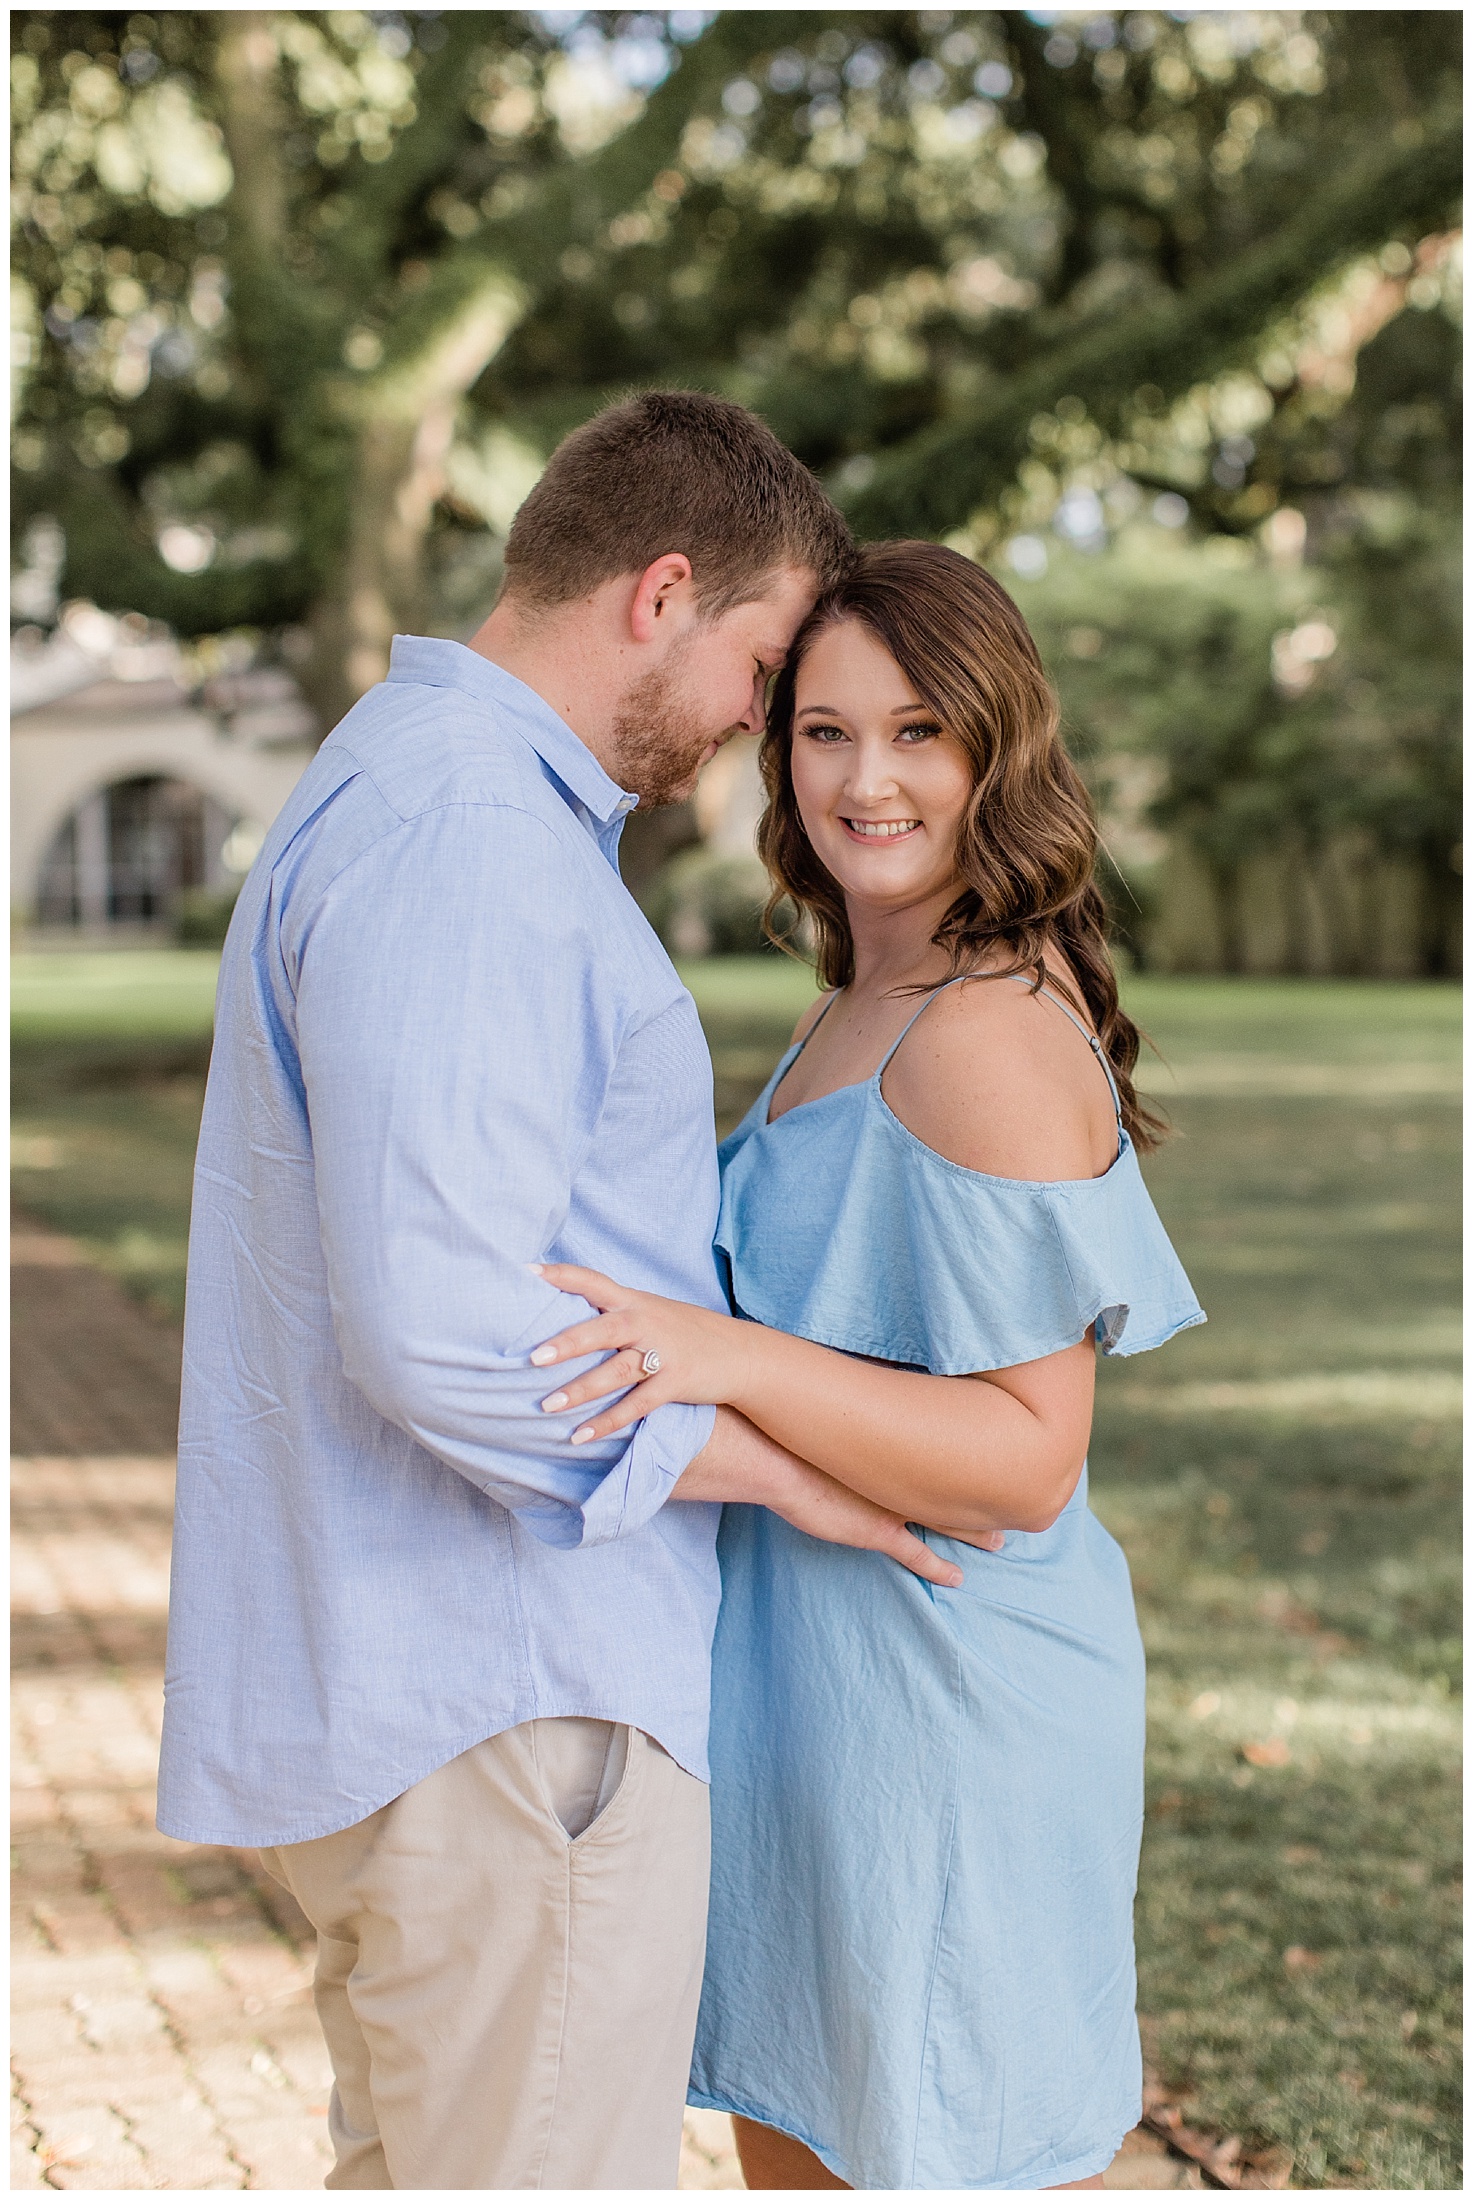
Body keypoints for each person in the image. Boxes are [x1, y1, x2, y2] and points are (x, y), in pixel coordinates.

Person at [157, 394, 975, 2192]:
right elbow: (437, 1317)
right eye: (763, 669)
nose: (760, 732)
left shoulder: (420, 791)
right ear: (661, 594)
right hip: (512, 1715)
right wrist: (778, 1468)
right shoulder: (470, 841)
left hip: (448, 1709)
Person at [529, 540, 1207, 2191]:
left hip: (946, 1702)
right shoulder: (865, 991)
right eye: (822, 732)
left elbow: (1026, 1459)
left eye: (916, 732)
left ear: (995, 748)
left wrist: (718, 1355)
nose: (864, 778)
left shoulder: (979, 1031)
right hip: (823, 1694)